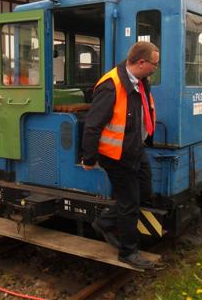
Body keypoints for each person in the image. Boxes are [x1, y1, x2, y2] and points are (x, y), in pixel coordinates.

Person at [81, 41, 159, 270]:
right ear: (142, 62)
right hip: (116, 155)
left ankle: (105, 222)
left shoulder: (140, 81)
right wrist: (89, 158)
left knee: (144, 191)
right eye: (154, 64)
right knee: (129, 202)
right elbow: (92, 125)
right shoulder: (111, 85)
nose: (156, 67)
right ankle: (128, 252)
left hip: (135, 149)